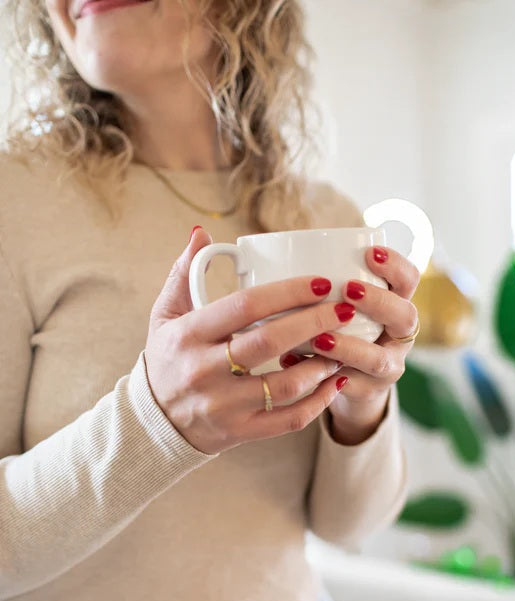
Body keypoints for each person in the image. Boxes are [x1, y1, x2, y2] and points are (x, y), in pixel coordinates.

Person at [0, 1, 420, 599]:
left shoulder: (328, 220)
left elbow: (349, 526)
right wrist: (154, 423)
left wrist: (365, 403)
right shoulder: (13, 204)